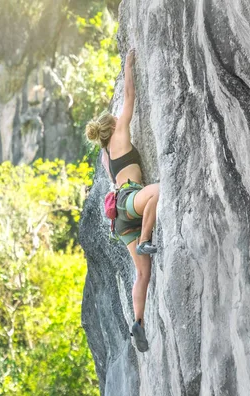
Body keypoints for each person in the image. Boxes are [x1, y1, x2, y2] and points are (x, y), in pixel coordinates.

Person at [85, 49, 159, 353]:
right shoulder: (120, 133)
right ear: (112, 125)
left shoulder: (105, 155)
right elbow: (129, 96)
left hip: (119, 219)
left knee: (143, 273)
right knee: (157, 191)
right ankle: (145, 239)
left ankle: (138, 322)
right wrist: (129, 64)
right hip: (130, 199)